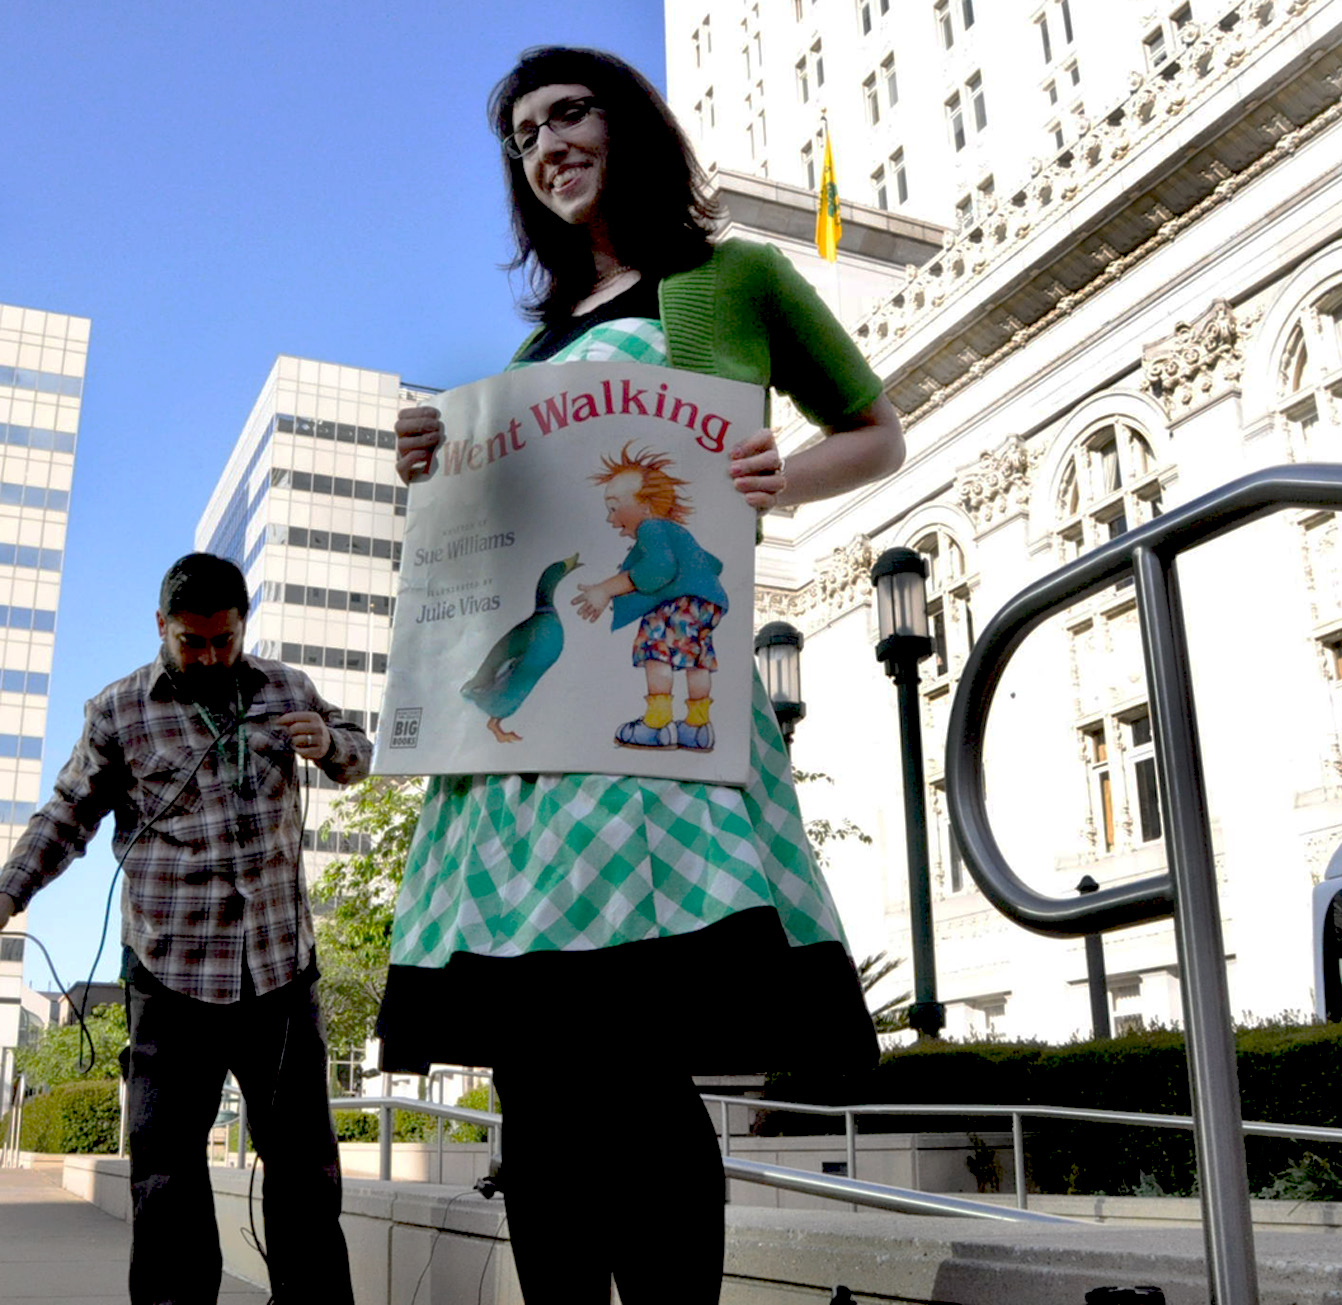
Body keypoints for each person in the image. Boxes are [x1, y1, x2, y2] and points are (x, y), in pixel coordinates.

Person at [379, 46, 904, 1305]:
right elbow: (510, 542)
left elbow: (875, 433)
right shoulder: (537, 339)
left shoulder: (733, 278)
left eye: (569, 113)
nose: (546, 143)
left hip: (662, 731)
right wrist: (434, 456)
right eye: (521, 136)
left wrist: (788, 475)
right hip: (528, 763)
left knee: (628, 1054)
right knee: (537, 1071)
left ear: (630, 123)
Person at [0, 553, 367, 1305]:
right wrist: (8, 893)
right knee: (165, 1174)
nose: (207, 656)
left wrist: (329, 744)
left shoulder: (287, 688)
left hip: (280, 975)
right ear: (161, 628)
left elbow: (358, 752)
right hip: (171, 980)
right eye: (190, 641)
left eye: (222, 640)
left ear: (242, 626)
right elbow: (65, 815)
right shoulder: (118, 710)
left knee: (303, 1170)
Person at [574, 440, 730, 751]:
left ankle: (657, 725)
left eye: (615, 507)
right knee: (697, 658)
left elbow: (659, 569)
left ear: (645, 507)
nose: (610, 518)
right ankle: (697, 728)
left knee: (655, 651)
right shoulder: (677, 533)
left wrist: (606, 588)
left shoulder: (651, 529)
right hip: (708, 604)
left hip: (679, 602)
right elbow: (713, 564)